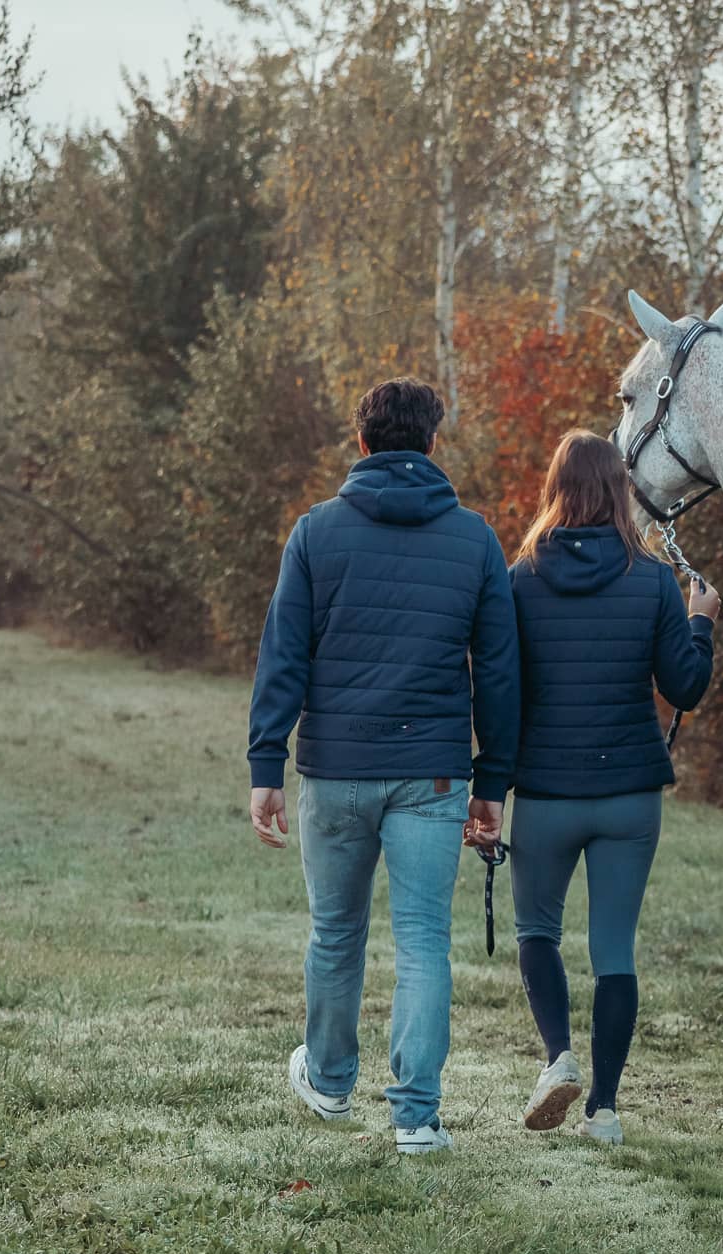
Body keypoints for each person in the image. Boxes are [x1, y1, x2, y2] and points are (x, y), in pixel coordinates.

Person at [248, 377, 519, 1156]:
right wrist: (491, 781)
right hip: (433, 775)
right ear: (432, 444)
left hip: (334, 767)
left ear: (361, 442)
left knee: (335, 933)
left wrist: (267, 762)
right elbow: (499, 674)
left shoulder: (315, 532)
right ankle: (416, 1117)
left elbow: (283, 656)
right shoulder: (474, 539)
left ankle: (330, 1083)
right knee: (424, 941)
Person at [502, 430, 718, 1145]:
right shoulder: (654, 579)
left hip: (543, 789)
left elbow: (503, 693)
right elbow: (684, 685)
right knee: (614, 951)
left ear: (555, 489)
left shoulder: (521, 578)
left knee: (537, 930)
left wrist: (488, 782)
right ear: (622, 488)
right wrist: (701, 622)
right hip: (629, 792)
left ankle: (558, 1056)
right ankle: (604, 1109)